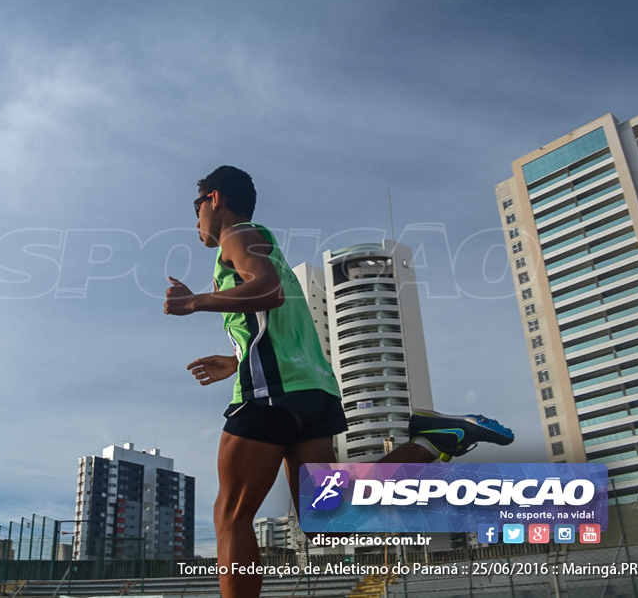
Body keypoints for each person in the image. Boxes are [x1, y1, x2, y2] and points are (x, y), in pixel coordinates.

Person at [164, 165, 513, 598]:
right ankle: (432, 441)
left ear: (214, 199)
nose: (194, 218)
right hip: (313, 393)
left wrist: (193, 301)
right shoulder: (262, 244)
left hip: (273, 396)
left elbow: (268, 291)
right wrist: (234, 361)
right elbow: (279, 324)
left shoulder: (239, 237)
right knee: (323, 516)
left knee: (230, 517)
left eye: (195, 206)